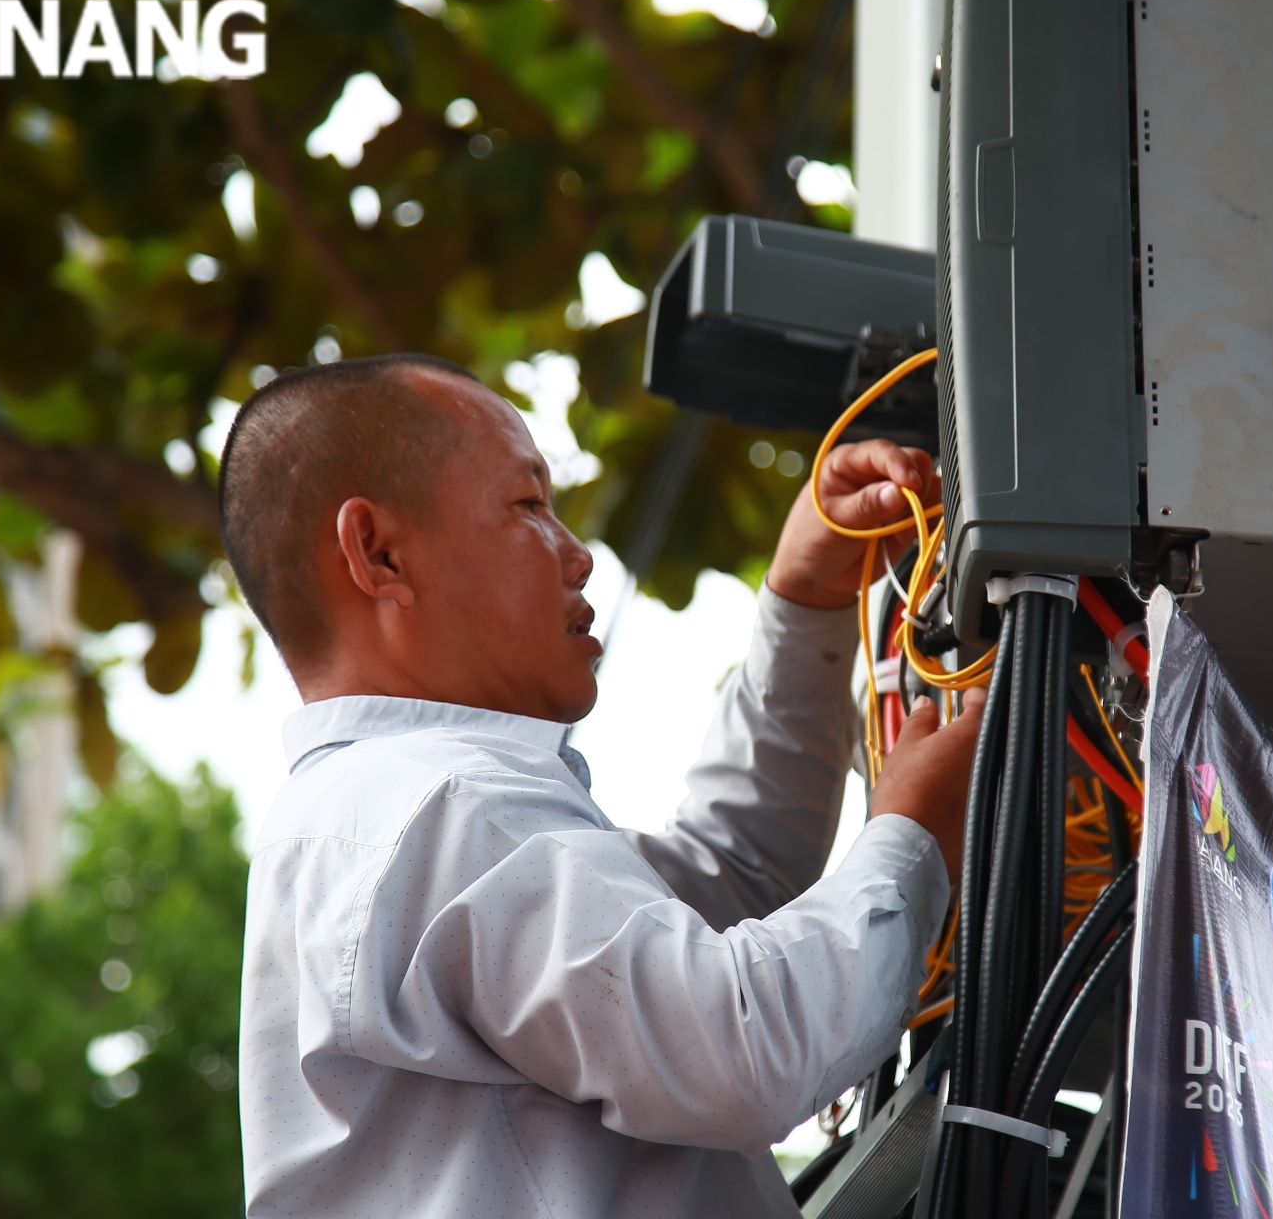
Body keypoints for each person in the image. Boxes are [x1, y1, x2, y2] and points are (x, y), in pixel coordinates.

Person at [223, 353, 983, 1217]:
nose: (578, 555)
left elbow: (732, 882)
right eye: (529, 506)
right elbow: (739, 1051)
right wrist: (912, 836)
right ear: (379, 553)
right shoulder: (438, 803)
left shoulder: (385, 812)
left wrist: (803, 604)